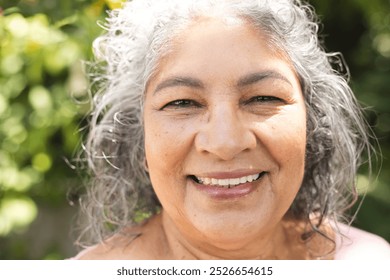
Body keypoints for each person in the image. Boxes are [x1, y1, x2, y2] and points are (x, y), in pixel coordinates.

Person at [73, 0, 390, 259]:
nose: (225, 143)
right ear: (140, 140)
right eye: (183, 103)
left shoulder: (368, 263)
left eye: (263, 98)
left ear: (312, 126)